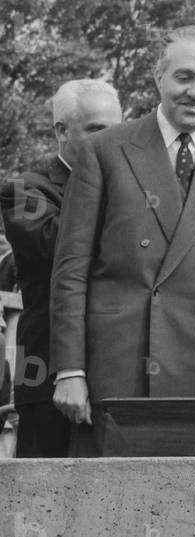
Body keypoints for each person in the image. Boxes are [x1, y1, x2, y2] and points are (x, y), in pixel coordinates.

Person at [50, 26, 195, 428]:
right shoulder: (103, 151)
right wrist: (70, 370)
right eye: (184, 77)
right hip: (118, 369)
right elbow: (71, 270)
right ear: (158, 76)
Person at [1, 80, 122, 456]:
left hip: (118, 371)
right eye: (97, 130)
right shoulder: (23, 190)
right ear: (61, 130)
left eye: (119, 129)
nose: (112, 140)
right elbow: (66, 250)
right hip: (48, 374)